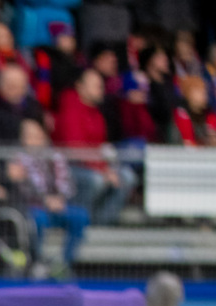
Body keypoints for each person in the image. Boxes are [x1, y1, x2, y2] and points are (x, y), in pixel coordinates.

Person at [53, 67, 136, 224]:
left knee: (126, 177)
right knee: (96, 180)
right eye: (96, 85)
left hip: (93, 166)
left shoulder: (97, 113)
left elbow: (100, 148)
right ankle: (81, 221)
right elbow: (75, 150)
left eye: (101, 85)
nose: (101, 89)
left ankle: (102, 223)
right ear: (80, 87)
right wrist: (102, 170)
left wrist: (107, 168)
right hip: (70, 167)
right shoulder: (70, 110)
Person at [8, 117, 87, 276]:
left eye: (38, 135)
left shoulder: (55, 157)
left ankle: (64, 262)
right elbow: (23, 188)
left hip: (57, 205)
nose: (34, 140)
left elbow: (67, 183)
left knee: (80, 216)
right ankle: (38, 261)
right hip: (33, 207)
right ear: (23, 139)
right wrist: (45, 200)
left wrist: (59, 198)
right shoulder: (17, 159)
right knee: (37, 219)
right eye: (30, 136)